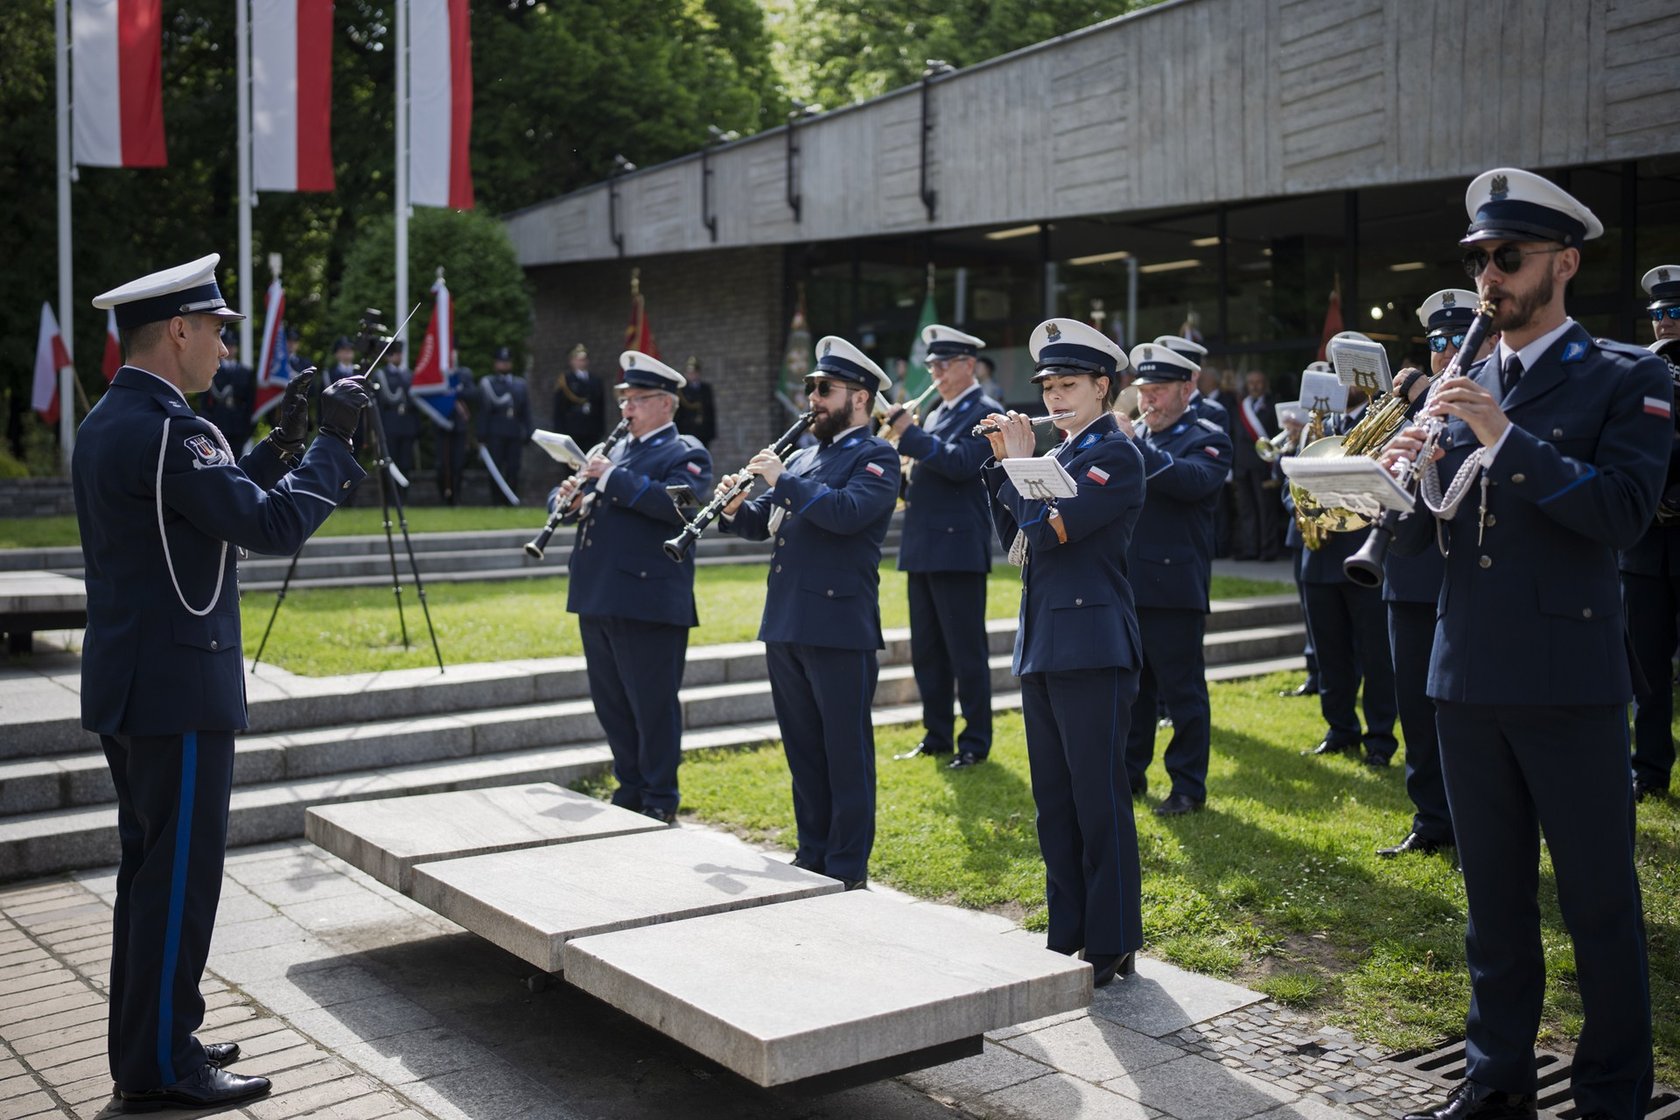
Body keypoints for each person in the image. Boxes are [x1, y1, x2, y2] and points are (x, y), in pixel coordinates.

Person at [1386, 168, 1665, 1120]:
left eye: (1507, 259)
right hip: (1465, 672)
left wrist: (1503, 436)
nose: (1489, 279)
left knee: (1598, 905)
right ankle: (1495, 1081)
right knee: (1494, 905)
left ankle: (1612, 1095)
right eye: (1479, 261)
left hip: (1567, 678)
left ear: (1563, 264)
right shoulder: (1464, 382)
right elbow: (1426, 537)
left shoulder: (1627, 375)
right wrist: (1397, 483)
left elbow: (1622, 514)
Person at [76, 254, 368, 1111]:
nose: (224, 347)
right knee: (178, 883)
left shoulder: (113, 419)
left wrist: (277, 445)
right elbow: (268, 525)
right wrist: (334, 444)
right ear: (177, 330)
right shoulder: (177, 430)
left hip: (133, 680)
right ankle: (161, 1069)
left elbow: (200, 508)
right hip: (180, 685)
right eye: (215, 329)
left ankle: (152, 1040)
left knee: (148, 879)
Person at [981, 317, 1145, 989]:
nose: (1054, 398)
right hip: (1046, 644)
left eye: (1068, 385)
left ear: (1103, 386)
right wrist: (1003, 466)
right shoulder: (1062, 458)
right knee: (1054, 801)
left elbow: (1051, 531)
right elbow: (1017, 544)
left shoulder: (1116, 455)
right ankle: (1067, 930)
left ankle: (1113, 940)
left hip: (1093, 647)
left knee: (1097, 799)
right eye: (1048, 386)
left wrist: (1020, 466)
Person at [718, 336, 899, 890]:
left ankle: (846, 865)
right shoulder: (801, 456)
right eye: (811, 388)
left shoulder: (876, 456)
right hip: (787, 619)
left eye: (825, 389)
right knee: (803, 748)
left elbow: (846, 514)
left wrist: (782, 479)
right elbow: (764, 522)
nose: (813, 399)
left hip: (839, 624)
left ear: (860, 398)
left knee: (845, 751)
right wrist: (733, 508)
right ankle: (812, 851)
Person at [558, 351, 713, 822]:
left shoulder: (686, 451)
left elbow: (677, 507)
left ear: (666, 403)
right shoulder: (615, 451)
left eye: (638, 399)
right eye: (624, 398)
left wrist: (610, 478)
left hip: (649, 598)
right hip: (597, 591)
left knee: (652, 704)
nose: (626, 408)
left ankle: (660, 795)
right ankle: (629, 785)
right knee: (611, 703)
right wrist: (569, 501)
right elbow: (581, 496)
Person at [1374, 289, 1492, 857]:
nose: (1445, 351)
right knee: (1416, 712)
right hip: (1409, 573)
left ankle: (1479, 829)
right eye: (1436, 341)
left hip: (1468, 578)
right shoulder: (1406, 406)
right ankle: (1430, 820)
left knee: (1471, 716)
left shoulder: (1498, 398)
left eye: (1456, 339)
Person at [1117, 343, 1232, 815]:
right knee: (1133, 694)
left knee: (1183, 694)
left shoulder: (1208, 437)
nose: (1149, 401)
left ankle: (1187, 786)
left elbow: (1191, 482)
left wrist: (1133, 445)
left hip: (1174, 588)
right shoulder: (1137, 433)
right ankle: (1130, 775)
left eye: (1160, 391)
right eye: (1144, 392)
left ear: (1187, 389)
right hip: (1128, 583)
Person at [886, 324, 1003, 769]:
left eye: (942, 364)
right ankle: (937, 734)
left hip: (957, 548)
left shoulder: (986, 411)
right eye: (932, 364)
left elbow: (960, 464)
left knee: (965, 652)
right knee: (928, 651)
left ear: (968, 365)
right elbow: (926, 466)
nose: (934, 372)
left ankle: (975, 741)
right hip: (922, 544)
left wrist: (909, 434)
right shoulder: (936, 414)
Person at [1300, 380, 1398, 768]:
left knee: (1376, 655)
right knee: (1330, 655)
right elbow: (1293, 483)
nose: (1346, 383)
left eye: (1353, 375)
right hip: (1320, 559)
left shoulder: (1387, 424)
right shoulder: (1318, 426)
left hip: (1363, 555)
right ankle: (1340, 729)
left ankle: (1380, 738)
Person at [1620, 264, 1680, 802]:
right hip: (1645, 544)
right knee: (1648, 663)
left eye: (1675, 312)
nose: (1664, 321)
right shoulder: (1640, 370)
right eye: (1658, 313)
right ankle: (1651, 768)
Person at [1230, 370, 1282, 560]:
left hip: (1263, 465)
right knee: (1246, 510)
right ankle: (1250, 548)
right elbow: (1233, 436)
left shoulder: (1273, 406)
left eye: (1258, 382)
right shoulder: (1240, 407)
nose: (1254, 386)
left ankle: (1268, 549)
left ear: (1265, 384)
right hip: (1242, 465)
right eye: (1251, 382)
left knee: (1265, 509)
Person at [479, 346, 533, 504]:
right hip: (495, 432)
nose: (504, 364)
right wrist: (481, 435)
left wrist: (528, 431)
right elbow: (483, 411)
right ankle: (496, 500)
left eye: (507, 361)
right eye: (501, 361)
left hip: (514, 432)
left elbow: (525, 410)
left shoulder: (519, 384)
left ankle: (510, 500)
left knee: (513, 467)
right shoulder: (489, 383)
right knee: (495, 467)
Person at [198, 328, 255, 454]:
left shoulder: (245, 372)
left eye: (233, 345)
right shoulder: (212, 370)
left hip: (238, 426)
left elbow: (250, 401)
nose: (230, 349)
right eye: (227, 345)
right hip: (217, 422)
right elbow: (205, 401)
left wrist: (249, 427)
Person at [371, 341, 418, 491]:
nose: (399, 356)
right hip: (389, 425)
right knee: (390, 462)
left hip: (407, 425)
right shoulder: (381, 375)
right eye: (395, 353)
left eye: (399, 353)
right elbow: (377, 403)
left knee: (406, 463)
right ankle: (390, 496)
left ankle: (403, 495)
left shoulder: (408, 375)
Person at [430, 364, 475, 505]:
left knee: (458, 464)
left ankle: (456, 497)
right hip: (441, 423)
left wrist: (453, 392)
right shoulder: (436, 371)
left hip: (459, 425)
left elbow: (472, 394)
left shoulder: (464, 373)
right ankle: (443, 497)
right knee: (441, 464)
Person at [553, 342, 606, 449]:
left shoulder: (595, 380)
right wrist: (560, 431)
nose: (581, 362)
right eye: (578, 359)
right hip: (572, 430)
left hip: (592, 430)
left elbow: (600, 406)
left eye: (583, 359)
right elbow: (559, 408)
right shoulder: (565, 380)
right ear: (571, 361)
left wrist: (601, 429)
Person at [674, 355, 717, 446]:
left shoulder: (705, 389)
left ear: (698, 373)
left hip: (703, 432)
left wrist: (711, 433)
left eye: (694, 372)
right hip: (686, 430)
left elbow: (710, 411)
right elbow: (678, 413)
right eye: (689, 372)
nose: (692, 375)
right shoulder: (681, 390)